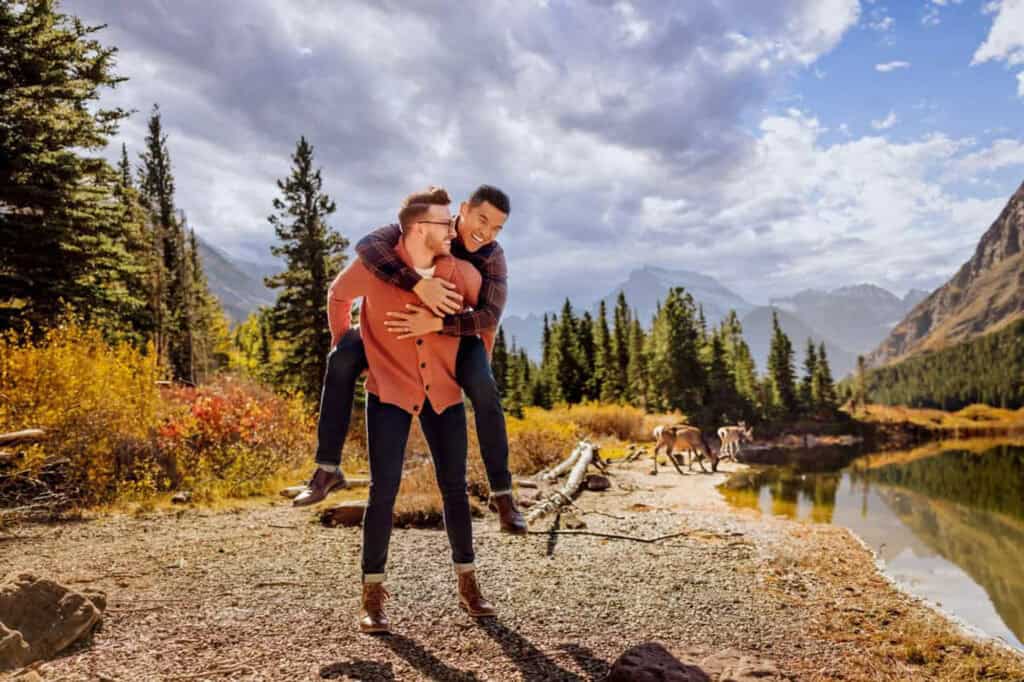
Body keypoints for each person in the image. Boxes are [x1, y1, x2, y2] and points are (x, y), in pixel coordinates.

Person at [294, 185, 526, 535]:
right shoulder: (425, 224)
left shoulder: (492, 257)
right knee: (341, 358)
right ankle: (328, 468)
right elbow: (368, 248)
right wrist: (416, 286)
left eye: (497, 228)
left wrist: (451, 336)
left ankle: (503, 495)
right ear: (462, 210)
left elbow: (488, 318)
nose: (487, 232)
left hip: (457, 332)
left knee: (484, 388)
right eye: (482, 220)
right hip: (396, 329)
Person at [327, 187, 497, 633]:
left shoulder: (460, 272)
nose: (453, 231)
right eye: (445, 223)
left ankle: (469, 584)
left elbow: (486, 319)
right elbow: (337, 297)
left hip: (444, 394)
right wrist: (350, 348)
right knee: (382, 492)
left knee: (454, 490)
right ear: (421, 228)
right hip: (388, 392)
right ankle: (372, 595)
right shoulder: (373, 269)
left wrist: (476, 366)